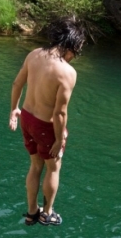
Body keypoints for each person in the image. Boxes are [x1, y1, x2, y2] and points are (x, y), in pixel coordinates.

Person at [9, 16, 86, 226]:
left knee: (35, 166)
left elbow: (17, 83)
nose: (74, 57)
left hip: (26, 117)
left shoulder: (34, 55)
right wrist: (59, 139)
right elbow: (60, 113)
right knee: (53, 168)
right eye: (76, 52)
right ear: (71, 45)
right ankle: (47, 213)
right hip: (45, 126)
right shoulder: (67, 73)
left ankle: (32, 211)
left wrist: (13, 109)